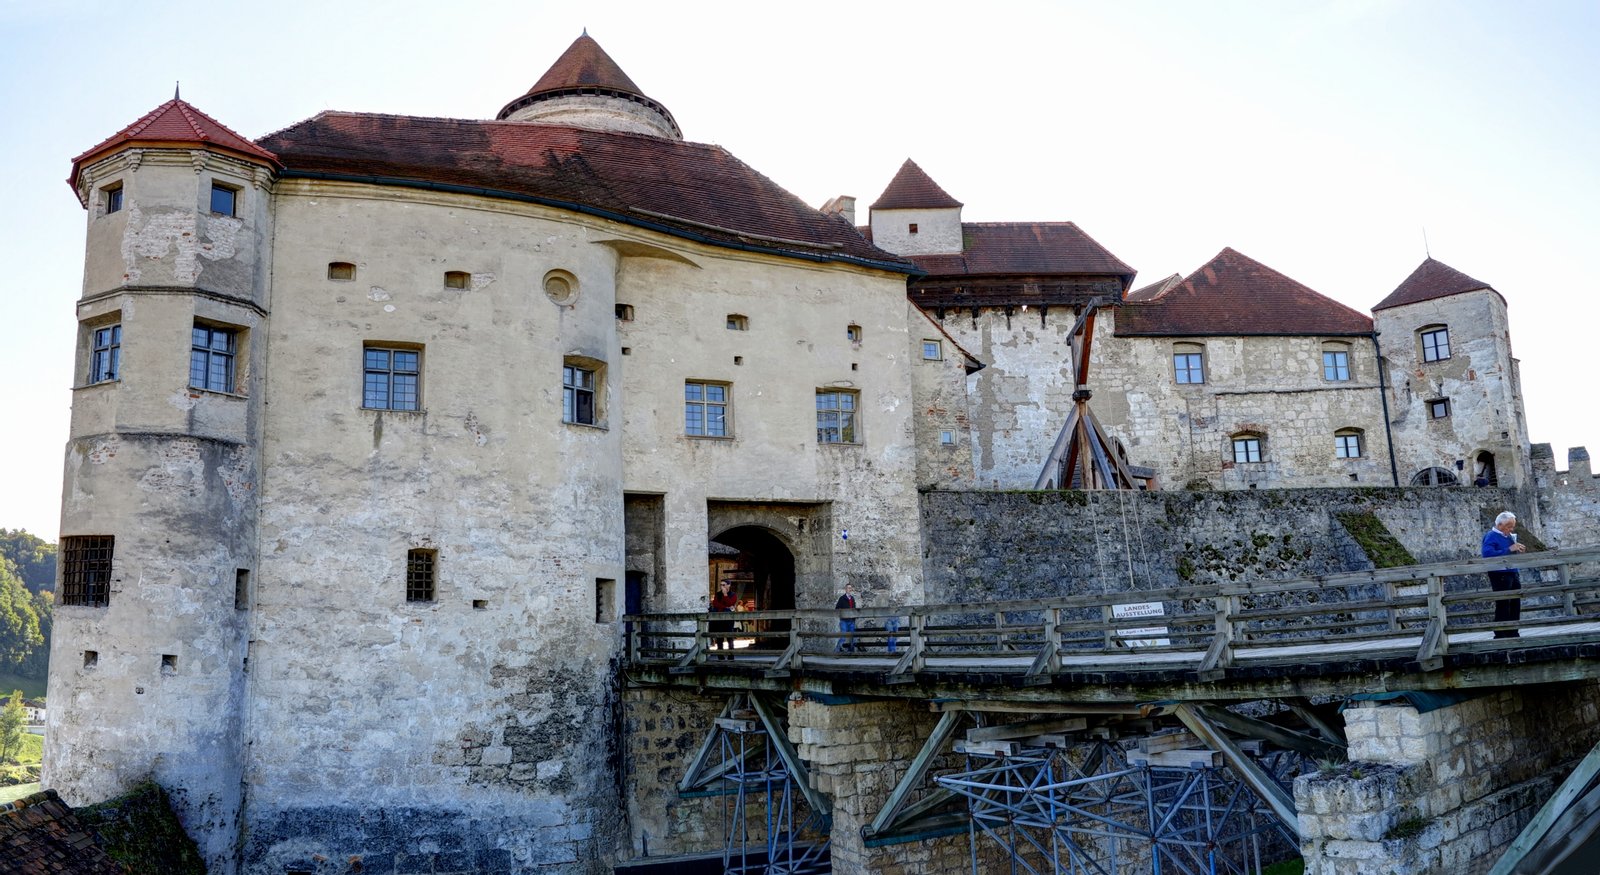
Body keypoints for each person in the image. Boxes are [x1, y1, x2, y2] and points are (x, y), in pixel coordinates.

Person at [1482, 511, 1526, 639]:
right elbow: (1487, 555)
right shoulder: (1491, 536)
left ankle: (1513, 632)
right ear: (1500, 525)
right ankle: (1501, 633)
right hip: (1499, 574)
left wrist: (1517, 550)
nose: (1511, 529)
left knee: (1515, 603)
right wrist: (1509, 549)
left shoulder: (1509, 536)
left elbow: (1509, 553)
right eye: (1509, 526)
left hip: (1512, 572)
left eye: (1512, 526)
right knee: (1503, 603)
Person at [709, 580, 739, 654]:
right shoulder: (718, 594)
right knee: (719, 637)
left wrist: (725, 595)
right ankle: (720, 656)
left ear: (729, 585)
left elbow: (731, 603)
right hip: (719, 618)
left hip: (729, 619)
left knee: (729, 637)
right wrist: (726, 607)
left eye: (724, 584)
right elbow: (715, 604)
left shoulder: (733, 595)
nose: (722, 586)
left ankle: (731, 655)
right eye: (721, 585)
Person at [834, 584, 857, 653]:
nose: (849, 589)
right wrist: (842, 615)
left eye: (850, 588)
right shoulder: (842, 598)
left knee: (853, 636)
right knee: (843, 636)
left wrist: (854, 618)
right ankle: (836, 651)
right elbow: (837, 608)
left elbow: (854, 609)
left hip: (851, 620)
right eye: (848, 588)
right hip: (844, 620)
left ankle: (852, 650)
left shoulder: (852, 598)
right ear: (845, 589)